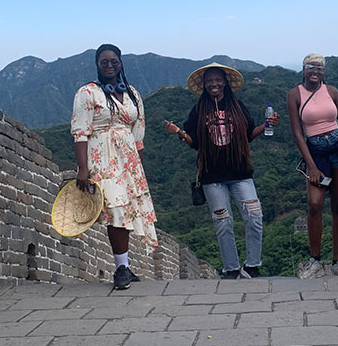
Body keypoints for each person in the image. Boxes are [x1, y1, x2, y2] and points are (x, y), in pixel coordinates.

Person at [164, 63, 279, 279]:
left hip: (241, 173)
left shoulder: (237, 106)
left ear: (225, 82)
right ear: (204, 85)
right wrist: (178, 132)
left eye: (218, 80)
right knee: (223, 222)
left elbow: (249, 134)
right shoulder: (199, 110)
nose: (214, 84)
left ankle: (252, 265)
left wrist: (266, 125)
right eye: (210, 81)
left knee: (254, 216)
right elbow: (194, 142)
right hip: (212, 176)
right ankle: (231, 268)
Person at [70, 44, 158, 290]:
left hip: (128, 161)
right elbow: (80, 132)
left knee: (127, 210)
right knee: (116, 210)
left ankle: (126, 265)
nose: (110, 66)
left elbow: (137, 133)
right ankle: (120, 268)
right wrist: (82, 168)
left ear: (121, 63)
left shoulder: (132, 94)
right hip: (102, 159)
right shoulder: (87, 93)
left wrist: (139, 168)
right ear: (97, 65)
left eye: (114, 62)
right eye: (104, 62)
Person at [287, 54, 338, 279]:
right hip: (316, 154)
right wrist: (311, 166)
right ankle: (315, 261)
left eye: (320, 68)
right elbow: (297, 134)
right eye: (311, 67)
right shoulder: (295, 94)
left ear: (324, 71)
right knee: (315, 204)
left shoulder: (332, 92)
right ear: (303, 70)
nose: (315, 71)